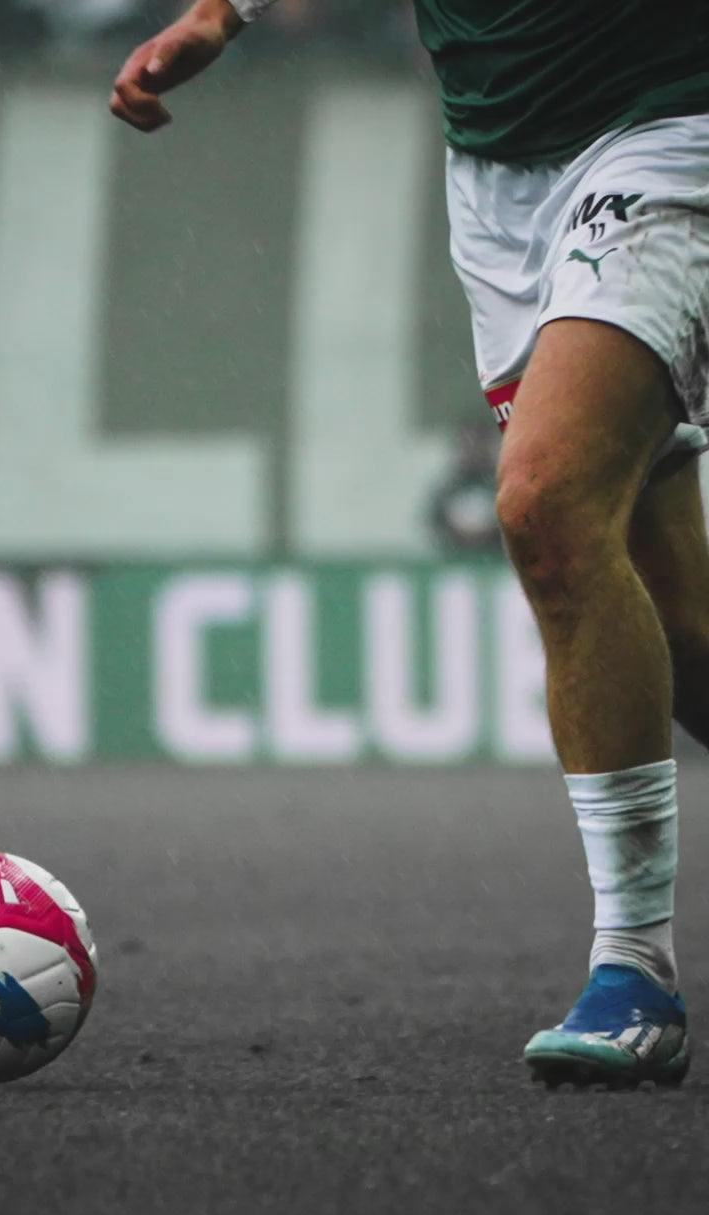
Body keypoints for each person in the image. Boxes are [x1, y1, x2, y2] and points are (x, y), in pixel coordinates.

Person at [110, 0, 709, 1087]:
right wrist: (221, 15)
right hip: (498, 179)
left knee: (546, 507)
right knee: (684, 632)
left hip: (669, 122)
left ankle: (635, 970)